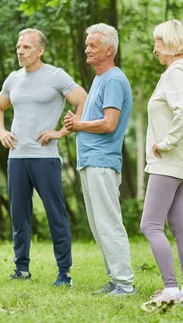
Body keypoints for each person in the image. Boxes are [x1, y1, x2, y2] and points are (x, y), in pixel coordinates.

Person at [0, 28, 87, 286]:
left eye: (26, 47)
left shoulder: (56, 76)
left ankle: (64, 272)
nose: (20, 51)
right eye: (18, 46)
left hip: (45, 158)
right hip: (17, 158)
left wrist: (60, 132)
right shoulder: (13, 79)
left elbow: (83, 101)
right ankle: (21, 269)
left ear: (40, 50)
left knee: (56, 214)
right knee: (19, 215)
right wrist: (1, 131)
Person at [139, 19, 183, 313]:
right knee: (180, 226)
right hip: (179, 161)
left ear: (168, 44)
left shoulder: (176, 73)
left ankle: (170, 289)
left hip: (169, 160)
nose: (154, 49)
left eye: (157, 41)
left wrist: (165, 143)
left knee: (150, 225)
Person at [63, 23, 135, 296]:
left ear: (109, 50)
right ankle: (115, 280)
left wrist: (79, 125)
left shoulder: (114, 79)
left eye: (93, 46)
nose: (87, 50)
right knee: (97, 224)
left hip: (102, 161)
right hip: (90, 160)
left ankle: (125, 284)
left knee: (109, 223)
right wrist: (77, 122)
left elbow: (109, 124)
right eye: (87, 45)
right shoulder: (99, 79)